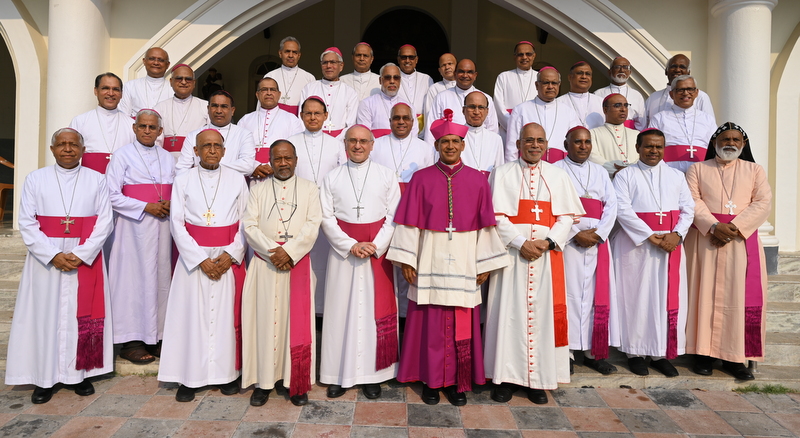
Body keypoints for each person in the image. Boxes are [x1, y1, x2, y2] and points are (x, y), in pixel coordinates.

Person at [387, 110, 508, 406]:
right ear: (437, 146)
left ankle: (457, 382)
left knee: (461, 322)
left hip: (466, 259)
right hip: (429, 257)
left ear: (463, 145)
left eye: (455, 142)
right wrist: (407, 260)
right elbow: (409, 223)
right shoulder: (421, 178)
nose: (450, 147)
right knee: (430, 322)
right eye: (445, 142)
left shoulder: (479, 181)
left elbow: (485, 225)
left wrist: (485, 265)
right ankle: (431, 380)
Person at [5, 128, 113, 404]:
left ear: (82, 149)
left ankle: (81, 374)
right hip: (46, 262)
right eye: (62, 144)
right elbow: (27, 223)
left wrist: (81, 253)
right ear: (52, 149)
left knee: (81, 315)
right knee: (45, 316)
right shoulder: (35, 178)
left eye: (73, 144)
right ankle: (44, 378)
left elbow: (104, 222)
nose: (68, 149)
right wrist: (53, 255)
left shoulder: (97, 180)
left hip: (83, 259)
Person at [485, 123, 584, 405]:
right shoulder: (501, 173)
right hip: (511, 257)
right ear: (518, 143)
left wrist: (548, 242)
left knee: (542, 318)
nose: (535, 145)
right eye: (529, 140)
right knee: (507, 313)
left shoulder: (558, 175)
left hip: (545, 258)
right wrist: (520, 242)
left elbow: (566, 217)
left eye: (540, 140)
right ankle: (504, 378)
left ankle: (537, 381)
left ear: (547, 145)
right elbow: (496, 216)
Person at [158, 129, 249, 402]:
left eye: (216, 146)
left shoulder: (236, 179)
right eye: (205, 146)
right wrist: (199, 259)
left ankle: (227, 375)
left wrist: (231, 254)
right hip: (194, 261)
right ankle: (189, 377)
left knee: (224, 319)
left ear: (224, 150)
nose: (211, 150)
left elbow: (246, 220)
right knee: (191, 318)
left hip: (226, 260)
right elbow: (177, 222)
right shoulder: (183, 179)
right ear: (195, 151)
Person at [319, 125, 401, 399]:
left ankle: (373, 375)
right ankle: (337, 373)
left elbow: (393, 217)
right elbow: (326, 218)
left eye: (363, 141)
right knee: (340, 311)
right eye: (352, 141)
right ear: (345, 143)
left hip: (376, 254)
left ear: (372, 144)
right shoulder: (331, 177)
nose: (358, 146)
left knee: (372, 314)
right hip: (344, 254)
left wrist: (375, 245)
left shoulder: (387, 175)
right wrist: (350, 244)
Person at [685, 123, 771, 380]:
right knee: (702, 294)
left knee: (738, 298)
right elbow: (691, 200)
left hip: (741, 242)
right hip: (705, 241)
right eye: (725, 138)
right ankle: (702, 353)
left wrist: (733, 227)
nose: (730, 143)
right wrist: (713, 226)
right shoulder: (698, 168)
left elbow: (763, 202)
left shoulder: (755, 170)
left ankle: (735, 358)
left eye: (736, 139)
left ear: (743, 145)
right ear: (715, 142)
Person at [241, 140, 321, 407]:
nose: (283, 163)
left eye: (288, 158)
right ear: (270, 161)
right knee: (262, 321)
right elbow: (249, 225)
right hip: (265, 265)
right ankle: (264, 382)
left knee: (294, 323)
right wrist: (273, 251)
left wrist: (290, 252)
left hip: (296, 265)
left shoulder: (310, 189)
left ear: (296, 160)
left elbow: (312, 224)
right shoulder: (258, 189)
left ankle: (295, 382)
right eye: (278, 159)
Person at [611, 129, 694, 377]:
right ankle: (635, 352)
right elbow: (622, 209)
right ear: (638, 148)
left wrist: (677, 234)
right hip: (636, 248)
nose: (654, 151)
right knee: (637, 299)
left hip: (670, 245)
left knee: (664, 300)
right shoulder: (625, 176)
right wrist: (650, 235)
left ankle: (660, 353)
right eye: (648, 146)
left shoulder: (676, 176)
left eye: (658, 146)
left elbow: (688, 208)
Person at [106, 109, 176, 365]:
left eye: (152, 127)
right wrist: (145, 206)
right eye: (143, 126)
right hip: (133, 230)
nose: (147, 131)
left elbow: (176, 190)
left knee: (159, 279)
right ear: (135, 128)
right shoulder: (121, 156)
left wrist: (169, 203)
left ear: (160, 131)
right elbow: (111, 194)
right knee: (132, 282)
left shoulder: (168, 158)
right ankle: (131, 341)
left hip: (163, 228)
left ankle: (156, 337)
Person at [553, 126, 619, 375]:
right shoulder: (556, 170)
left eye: (587, 142)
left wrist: (600, 234)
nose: (583, 146)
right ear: (566, 143)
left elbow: (611, 205)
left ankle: (594, 353)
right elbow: (553, 207)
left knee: (595, 297)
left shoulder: (600, 172)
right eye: (578, 142)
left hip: (597, 243)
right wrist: (573, 234)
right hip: (569, 243)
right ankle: (566, 352)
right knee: (568, 295)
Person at [371, 103, 435, 318]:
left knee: (409, 263)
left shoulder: (425, 148)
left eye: (405, 118)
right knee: (385, 264)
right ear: (389, 121)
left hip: (413, 214)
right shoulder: (376, 145)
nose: (400, 122)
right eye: (396, 118)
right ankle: (385, 313)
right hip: (382, 211)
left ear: (412, 122)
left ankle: (407, 317)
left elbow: (430, 184)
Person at [288, 96, 347, 314]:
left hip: (327, 208)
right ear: (301, 116)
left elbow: (342, 176)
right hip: (297, 208)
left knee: (324, 259)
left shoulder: (336, 145)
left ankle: (323, 310)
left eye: (317, 113)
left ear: (325, 116)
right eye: (308, 113)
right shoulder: (291, 142)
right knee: (301, 257)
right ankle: (300, 309)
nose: (313, 117)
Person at [505, 67, 580, 163]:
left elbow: (574, 142)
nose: (550, 86)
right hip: (528, 165)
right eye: (546, 83)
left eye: (554, 83)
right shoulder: (521, 109)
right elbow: (512, 145)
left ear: (559, 85)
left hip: (560, 167)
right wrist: (512, 168)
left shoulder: (568, 111)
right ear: (537, 85)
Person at [177, 90, 257, 176]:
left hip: (231, 184)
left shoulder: (244, 134)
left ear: (232, 110)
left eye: (224, 106)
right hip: (199, 185)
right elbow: (182, 168)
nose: (219, 111)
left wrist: (207, 168)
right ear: (208, 109)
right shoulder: (193, 135)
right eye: (214, 106)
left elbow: (247, 166)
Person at [238, 77, 304, 181]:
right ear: (257, 95)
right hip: (251, 174)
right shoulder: (245, 120)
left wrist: (273, 165)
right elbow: (238, 148)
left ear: (279, 94)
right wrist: (254, 166)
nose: (269, 93)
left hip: (280, 173)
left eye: (272, 90)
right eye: (264, 90)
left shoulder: (292, 119)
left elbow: (297, 147)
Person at [648, 75, 717, 173]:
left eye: (690, 89)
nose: (685, 93)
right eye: (680, 90)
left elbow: (715, 147)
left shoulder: (707, 119)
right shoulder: (659, 118)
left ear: (696, 92)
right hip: (669, 171)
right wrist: (665, 171)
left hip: (703, 172)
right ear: (671, 94)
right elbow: (652, 146)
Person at [69, 73, 136, 174]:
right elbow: (71, 155)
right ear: (96, 91)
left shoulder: (132, 124)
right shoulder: (80, 121)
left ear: (121, 94)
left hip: (121, 183)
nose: (111, 93)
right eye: (105, 88)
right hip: (89, 182)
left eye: (116, 89)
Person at [425, 59, 498, 144]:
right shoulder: (442, 97)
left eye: (469, 72)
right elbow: (432, 128)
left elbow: (492, 129)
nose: (465, 75)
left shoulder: (486, 98)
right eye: (461, 72)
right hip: (450, 149)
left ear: (475, 75)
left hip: (479, 145)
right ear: (455, 74)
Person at [298, 47, 359, 139]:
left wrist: (336, 141)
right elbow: (301, 118)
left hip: (340, 140)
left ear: (341, 66)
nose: (328, 66)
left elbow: (351, 123)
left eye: (333, 62)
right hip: (311, 137)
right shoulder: (309, 88)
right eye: (325, 63)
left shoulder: (350, 92)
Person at [153, 64, 209, 159]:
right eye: (179, 78)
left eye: (188, 79)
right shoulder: (160, 107)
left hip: (197, 162)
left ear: (194, 83)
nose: (184, 82)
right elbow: (156, 141)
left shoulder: (206, 106)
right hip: (166, 161)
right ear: (171, 82)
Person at [645, 54, 715, 125]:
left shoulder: (701, 96)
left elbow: (709, 124)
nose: (677, 70)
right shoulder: (654, 97)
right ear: (666, 71)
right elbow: (644, 125)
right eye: (673, 66)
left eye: (682, 67)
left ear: (688, 72)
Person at [357, 63, 418, 139]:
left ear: (400, 81)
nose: (392, 81)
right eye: (387, 77)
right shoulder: (367, 104)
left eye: (396, 78)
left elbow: (413, 135)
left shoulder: (409, 107)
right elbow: (364, 135)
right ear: (380, 80)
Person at [494, 41, 538, 141]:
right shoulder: (504, 77)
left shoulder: (540, 77)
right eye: (520, 54)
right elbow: (499, 107)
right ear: (514, 57)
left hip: (534, 132)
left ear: (534, 56)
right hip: (508, 131)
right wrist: (514, 127)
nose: (524, 57)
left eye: (528, 54)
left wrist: (531, 130)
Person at [589, 94, 639, 177]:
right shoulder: (593, 133)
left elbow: (642, 158)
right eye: (617, 105)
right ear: (605, 110)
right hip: (608, 179)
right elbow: (593, 157)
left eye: (626, 105)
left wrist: (630, 171)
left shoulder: (637, 134)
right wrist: (616, 172)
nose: (623, 109)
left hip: (634, 178)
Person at [265, 36, 316, 115]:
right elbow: (262, 104)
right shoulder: (270, 76)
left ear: (299, 55)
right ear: (280, 53)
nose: (291, 55)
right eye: (287, 51)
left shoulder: (309, 78)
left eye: (294, 52)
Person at [593, 57, 646, 130]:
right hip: (606, 132)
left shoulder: (637, 95)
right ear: (609, 72)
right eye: (617, 67)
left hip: (630, 134)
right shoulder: (598, 93)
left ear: (630, 72)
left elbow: (642, 122)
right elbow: (595, 118)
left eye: (625, 67)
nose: (622, 70)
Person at [118, 47, 172, 118]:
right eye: (152, 59)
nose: (156, 63)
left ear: (167, 64)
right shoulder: (130, 86)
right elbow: (123, 116)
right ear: (144, 61)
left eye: (161, 60)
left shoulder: (173, 89)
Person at [462, 91, 504, 175]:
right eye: (472, 107)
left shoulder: (495, 139)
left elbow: (499, 172)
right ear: (463, 110)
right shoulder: (455, 137)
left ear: (487, 111)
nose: (476, 112)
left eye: (481, 107)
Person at [397, 44, 434, 134]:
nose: (407, 60)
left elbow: (431, 106)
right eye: (403, 57)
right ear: (398, 59)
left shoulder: (426, 79)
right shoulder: (394, 78)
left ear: (416, 59)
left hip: (423, 128)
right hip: (400, 126)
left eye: (411, 57)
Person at [556, 62, 604, 129]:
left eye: (588, 74)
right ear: (570, 77)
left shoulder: (601, 102)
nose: (584, 77)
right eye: (579, 73)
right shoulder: (558, 103)